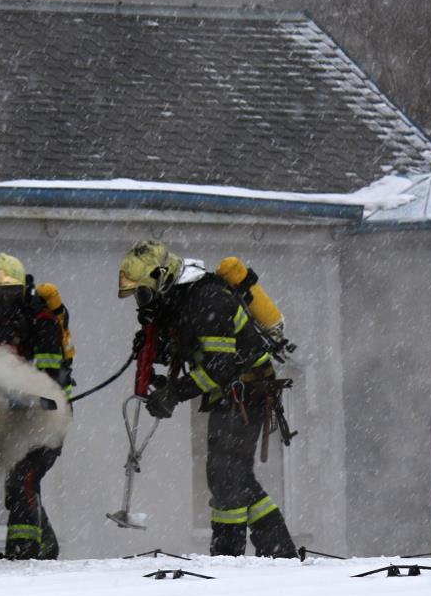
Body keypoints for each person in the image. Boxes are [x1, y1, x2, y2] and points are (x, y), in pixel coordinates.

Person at [117, 239, 299, 559]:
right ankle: (278, 551)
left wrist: (174, 393)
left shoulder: (207, 299)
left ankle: (228, 555)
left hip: (247, 391)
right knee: (235, 474)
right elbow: (190, 350)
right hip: (231, 393)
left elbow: (218, 367)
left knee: (225, 473)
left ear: (163, 279)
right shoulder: (180, 302)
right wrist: (159, 369)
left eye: (143, 293)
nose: (141, 304)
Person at [0, 252, 72, 560]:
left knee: (24, 479)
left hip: (49, 419)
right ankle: (44, 547)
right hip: (21, 420)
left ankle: (24, 553)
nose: (1, 302)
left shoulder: (41, 320)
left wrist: (27, 393)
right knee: (17, 482)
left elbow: (48, 377)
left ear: (22, 293)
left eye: (8, 294)